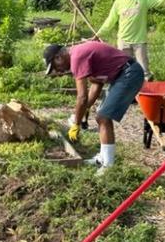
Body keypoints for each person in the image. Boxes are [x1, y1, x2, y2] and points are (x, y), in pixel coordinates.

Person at [43, 39, 144, 172]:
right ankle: (103, 158)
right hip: (123, 74)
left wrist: (76, 124)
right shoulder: (78, 54)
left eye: (55, 66)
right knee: (101, 117)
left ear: (58, 57)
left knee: (103, 117)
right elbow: (97, 83)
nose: (58, 71)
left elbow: (82, 97)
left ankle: (108, 166)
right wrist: (85, 109)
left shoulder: (76, 58)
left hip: (129, 74)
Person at [97, 0, 165, 81]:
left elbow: (159, 0)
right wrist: (98, 34)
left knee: (144, 70)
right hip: (123, 41)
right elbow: (110, 21)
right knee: (125, 69)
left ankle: (148, 87)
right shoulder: (118, 2)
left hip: (139, 41)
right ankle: (130, 88)